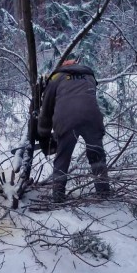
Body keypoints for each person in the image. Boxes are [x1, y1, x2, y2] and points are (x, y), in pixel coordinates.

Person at [37, 54, 110, 202]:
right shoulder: (89, 76)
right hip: (92, 118)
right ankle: (104, 192)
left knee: (62, 159)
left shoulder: (55, 78)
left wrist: (43, 135)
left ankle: (58, 196)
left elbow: (46, 110)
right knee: (97, 157)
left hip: (66, 120)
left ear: (63, 65)